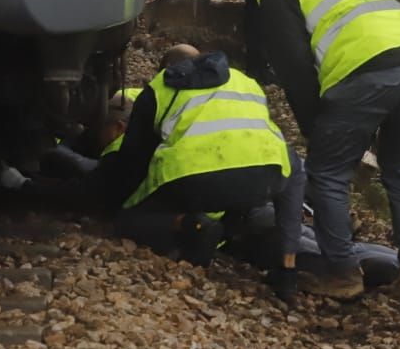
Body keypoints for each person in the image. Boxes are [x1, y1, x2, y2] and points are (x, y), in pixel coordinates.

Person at [246, 0, 400, 301]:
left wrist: (314, 127)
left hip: (366, 71)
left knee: (328, 172)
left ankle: (343, 274)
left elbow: (295, 68)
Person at [105, 45, 305, 270]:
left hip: (194, 180)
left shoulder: (161, 87)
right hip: (264, 177)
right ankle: (288, 264)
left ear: (163, 70)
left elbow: (133, 161)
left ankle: (194, 225)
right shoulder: (245, 82)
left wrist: (116, 199)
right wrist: (288, 259)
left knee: (130, 219)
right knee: (290, 175)